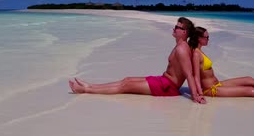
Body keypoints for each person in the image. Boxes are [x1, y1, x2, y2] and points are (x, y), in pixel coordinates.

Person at [69, 17, 206, 104]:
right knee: (127, 80)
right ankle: (90, 86)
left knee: (125, 86)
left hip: (166, 87)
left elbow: (189, 75)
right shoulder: (180, 46)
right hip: (162, 81)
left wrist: (195, 96)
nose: (174, 29)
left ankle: (86, 90)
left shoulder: (182, 49)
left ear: (184, 32)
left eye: (177, 27)